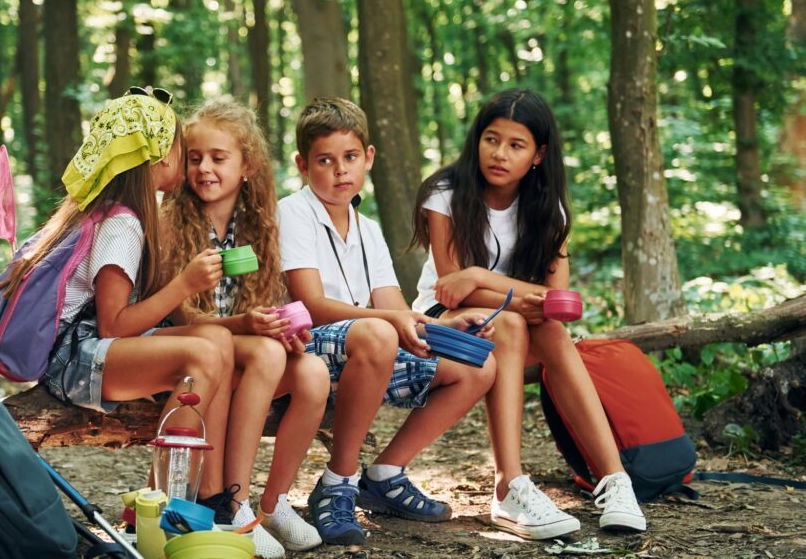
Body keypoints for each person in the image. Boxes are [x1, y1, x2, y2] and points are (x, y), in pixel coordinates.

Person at [409, 88, 646, 539]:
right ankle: (509, 485)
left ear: (537, 155)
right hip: (442, 323)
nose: (499, 154)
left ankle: (616, 481)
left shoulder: (546, 209)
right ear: (477, 140)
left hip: (511, 321)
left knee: (552, 332)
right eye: (491, 139)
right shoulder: (446, 193)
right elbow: (451, 290)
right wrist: (504, 293)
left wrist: (480, 274)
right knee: (516, 321)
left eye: (516, 145)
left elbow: (559, 303)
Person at [277, 97, 497, 546]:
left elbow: (397, 310)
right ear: (303, 164)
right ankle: (338, 482)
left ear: (368, 158)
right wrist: (390, 321)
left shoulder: (368, 229)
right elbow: (313, 305)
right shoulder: (292, 213)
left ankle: (385, 475)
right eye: (325, 160)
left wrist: (444, 329)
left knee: (479, 365)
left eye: (350, 157)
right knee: (378, 332)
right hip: (306, 350)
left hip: (367, 351)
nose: (340, 170)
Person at [0, 90, 235, 507]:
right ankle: (166, 505)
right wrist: (184, 284)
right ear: (158, 154)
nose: (183, 159)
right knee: (203, 358)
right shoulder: (121, 223)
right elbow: (114, 325)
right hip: (73, 360)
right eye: (181, 148)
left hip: (85, 349)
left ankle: (204, 494)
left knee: (217, 343)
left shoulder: (110, 210)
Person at [162, 99, 328, 557]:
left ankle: (270, 505)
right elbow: (185, 318)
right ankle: (230, 504)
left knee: (313, 372)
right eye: (194, 158)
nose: (204, 168)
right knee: (269, 354)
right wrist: (249, 326)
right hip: (194, 354)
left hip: (242, 350)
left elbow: (262, 303)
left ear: (247, 165)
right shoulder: (172, 222)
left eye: (219, 158)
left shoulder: (259, 223)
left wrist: (280, 326)